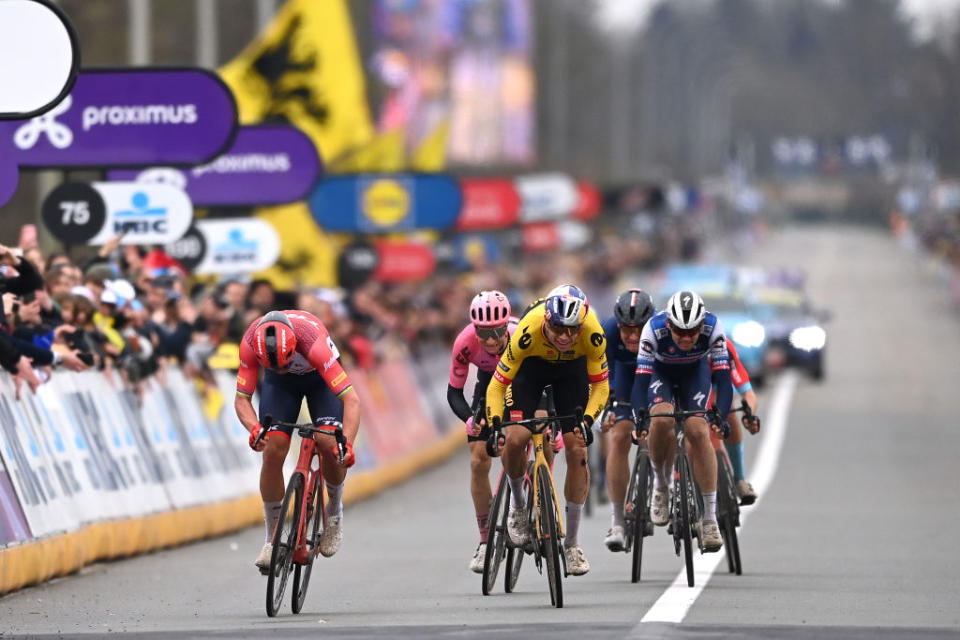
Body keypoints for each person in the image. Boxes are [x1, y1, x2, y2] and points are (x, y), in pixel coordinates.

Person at [485, 284, 609, 576]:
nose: (565, 336)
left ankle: (573, 545)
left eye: (572, 330)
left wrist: (588, 421)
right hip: (531, 369)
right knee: (515, 438)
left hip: (571, 372)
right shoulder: (528, 331)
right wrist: (494, 425)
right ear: (546, 321)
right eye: (558, 328)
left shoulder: (592, 332)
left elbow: (601, 386)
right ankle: (518, 506)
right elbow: (497, 385)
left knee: (578, 447)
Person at [234, 309, 361, 572]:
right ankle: (271, 540)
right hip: (280, 386)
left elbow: (351, 400)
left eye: (286, 362)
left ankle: (334, 512)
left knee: (328, 443)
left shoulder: (313, 343)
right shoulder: (249, 343)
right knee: (271, 449)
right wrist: (254, 428)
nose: (283, 368)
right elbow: (242, 398)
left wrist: (345, 443)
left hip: (320, 381)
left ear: (293, 347)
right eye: (275, 365)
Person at [630, 290, 732, 552]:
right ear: (669, 324)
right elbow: (640, 381)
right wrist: (640, 416)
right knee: (661, 420)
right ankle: (661, 485)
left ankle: (709, 519)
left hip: (694, 373)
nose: (687, 338)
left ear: (702, 325)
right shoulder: (653, 330)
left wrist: (719, 413)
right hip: (660, 374)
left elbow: (722, 377)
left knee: (699, 430)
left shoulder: (713, 327)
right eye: (680, 332)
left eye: (692, 332)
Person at [446, 290, 517, 573]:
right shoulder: (465, 342)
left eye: (496, 333)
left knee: (520, 438)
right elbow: (454, 394)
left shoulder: (520, 334)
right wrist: (469, 420)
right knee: (478, 460)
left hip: (521, 381)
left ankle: (528, 507)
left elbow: (542, 383)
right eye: (483, 333)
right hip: (489, 385)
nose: (489, 340)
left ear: (506, 326)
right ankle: (486, 540)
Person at [599, 288, 656, 551]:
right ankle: (617, 521)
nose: (633, 336)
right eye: (627, 330)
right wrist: (605, 409)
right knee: (619, 436)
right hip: (622, 377)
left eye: (639, 329)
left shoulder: (660, 330)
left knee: (659, 426)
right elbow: (599, 376)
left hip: (655, 377)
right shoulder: (608, 332)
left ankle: (661, 487)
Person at [722, 340, 761, 504]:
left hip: (718, 386)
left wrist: (749, 415)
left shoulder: (724, 347)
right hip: (688, 386)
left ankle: (739, 478)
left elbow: (748, 393)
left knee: (729, 412)